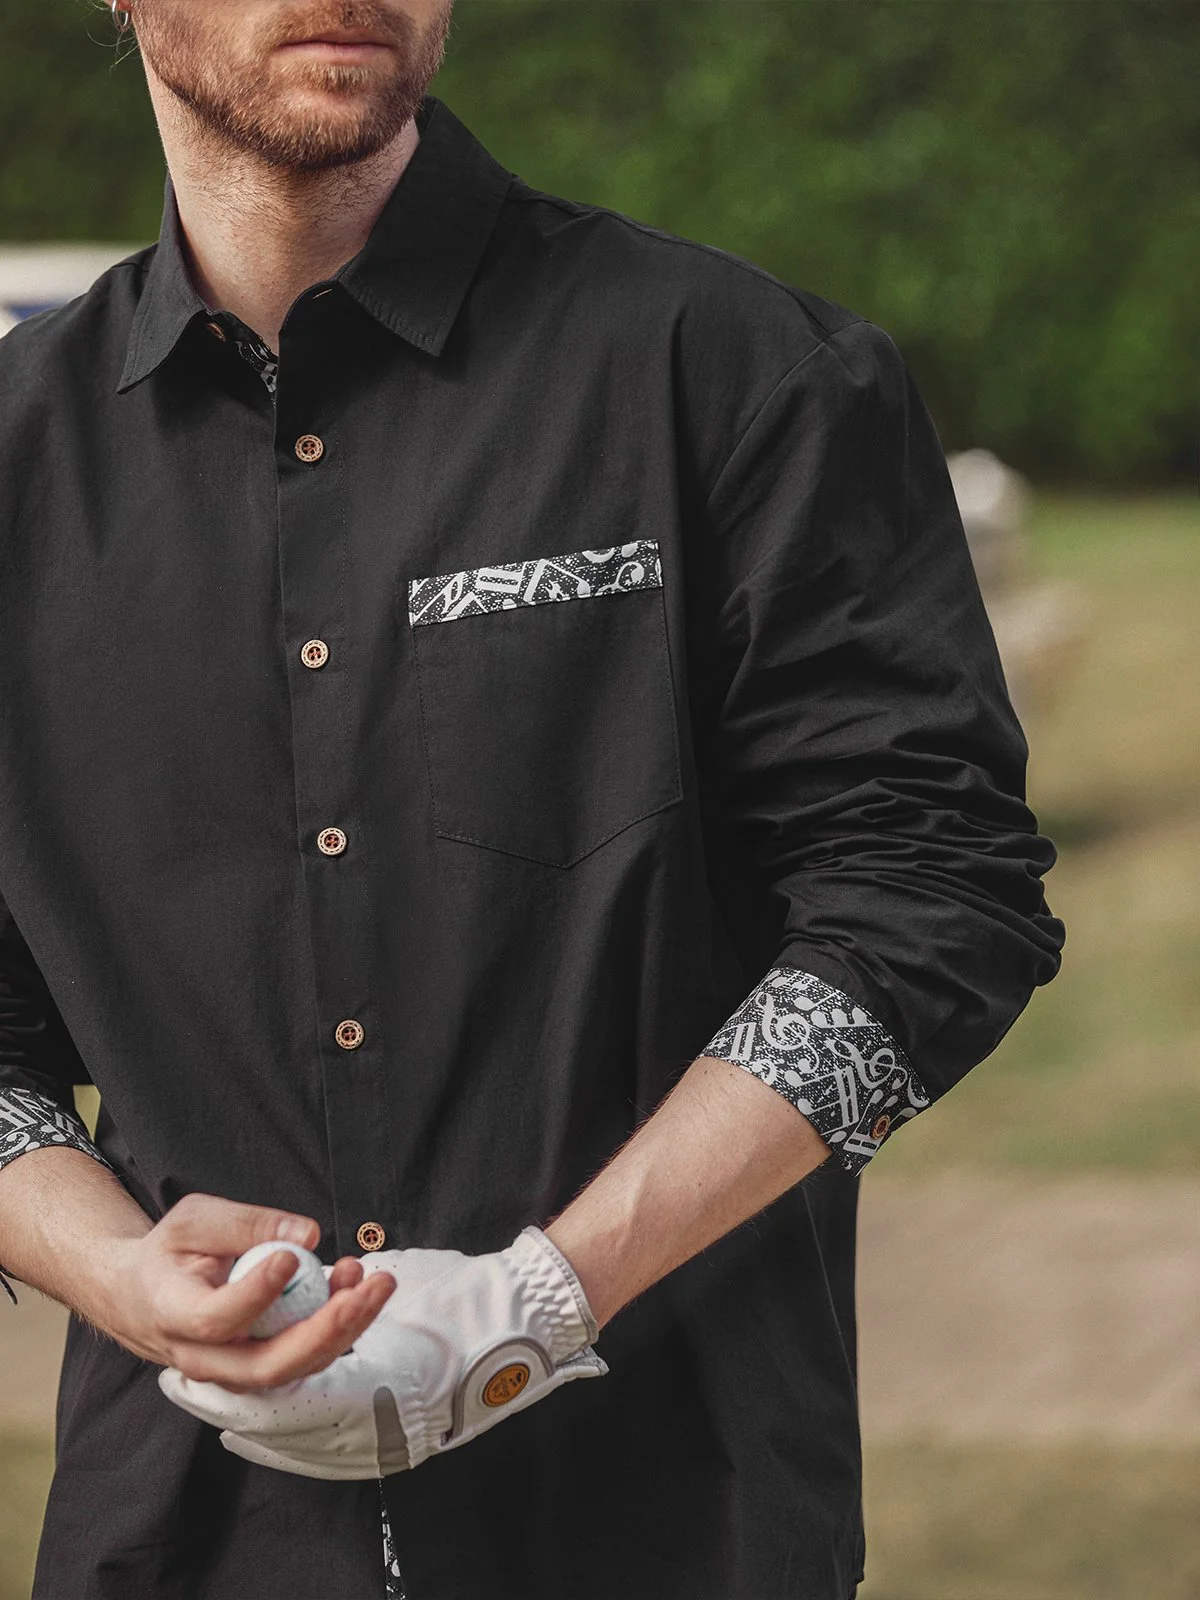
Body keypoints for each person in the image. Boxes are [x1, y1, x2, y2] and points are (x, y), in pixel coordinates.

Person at [0, 2, 1065, 1596]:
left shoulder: (736, 372)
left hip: (674, 1526)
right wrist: (117, 1274)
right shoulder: (13, 464)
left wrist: (548, 1298)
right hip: (178, 1541)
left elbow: (934, 892)